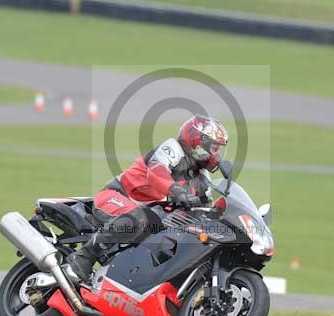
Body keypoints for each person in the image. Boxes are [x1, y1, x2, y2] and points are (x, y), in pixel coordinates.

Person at [66, 114, 229, 280]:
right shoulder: (173, 148)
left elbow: (203, 211)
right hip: (118, 196)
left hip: (148, 214)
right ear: (198, 142)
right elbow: (156, 172)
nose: (217, 155)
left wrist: (218, 213)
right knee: (140, 219)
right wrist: (180, 193)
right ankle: (81, 259)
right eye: (215, 148)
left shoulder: (202, 177)